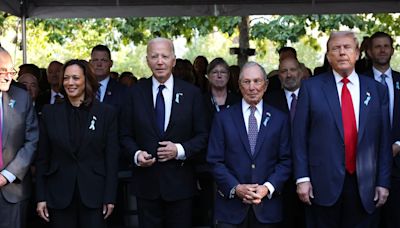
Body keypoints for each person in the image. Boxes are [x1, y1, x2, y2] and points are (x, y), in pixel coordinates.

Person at [293, 31, 392, 228]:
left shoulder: (376, 90)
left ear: (357, 53)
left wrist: (383, 181)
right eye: (335, 49)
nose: (341, 53)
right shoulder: (311, 89)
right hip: (322, 184)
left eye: (347, 47)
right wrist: (302, 178)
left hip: (365, 184)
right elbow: (298, 138)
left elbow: (383, 140)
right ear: (329, 56)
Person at [120, 37, 208, 228]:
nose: (160, 61)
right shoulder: (134, 94)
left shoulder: (192, 94)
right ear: (147, 60)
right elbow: (124, 134)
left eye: (165, 56)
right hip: (146, 186)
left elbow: (203, 136)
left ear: (174, 60)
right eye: (154, 56)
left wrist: (180, 150)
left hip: (180, 186)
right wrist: (136, 154)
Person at [35, 59, 119, 228]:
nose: (70, 83)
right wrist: (41, 197)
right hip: (58, 194)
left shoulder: (106, 113)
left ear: (86, 80)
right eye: (66, 78)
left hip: (94, 195)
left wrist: (110, 197)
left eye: (75, 78)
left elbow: (111, 159)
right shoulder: (49, 112)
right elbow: (42, 158)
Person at [207, 61, 291, 227]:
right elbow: (214, 161)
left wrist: (267, 188)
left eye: (257, 81)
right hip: (230, 211)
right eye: (246, 82)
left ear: (265, 85)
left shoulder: (279, 119)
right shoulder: (223, 118)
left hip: (267, 210)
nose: (252, 87)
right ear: (239, 85)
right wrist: (236, 187)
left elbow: (286, 161)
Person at [364, 31, 400, 228]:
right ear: (369, 52)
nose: (382, 50)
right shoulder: (358, 82)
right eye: (377, 46)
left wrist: (398, 144)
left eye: (386, 46)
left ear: (392, 50)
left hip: (398, 164)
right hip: (366, 164)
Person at [0, 47, 39, 228]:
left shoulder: (22, 98)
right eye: (2, 71)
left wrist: (7, 175)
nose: (8, 76)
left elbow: (32, 140)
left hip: (12, 190)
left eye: (11, 71)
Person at [264, 57, 305, 228]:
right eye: (283, 71)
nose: (288, 74)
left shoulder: (314, 97)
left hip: (308, 173)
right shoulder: (269, 101)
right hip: (278, 173)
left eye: (292, 70)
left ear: (301, 73)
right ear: (278, 76)